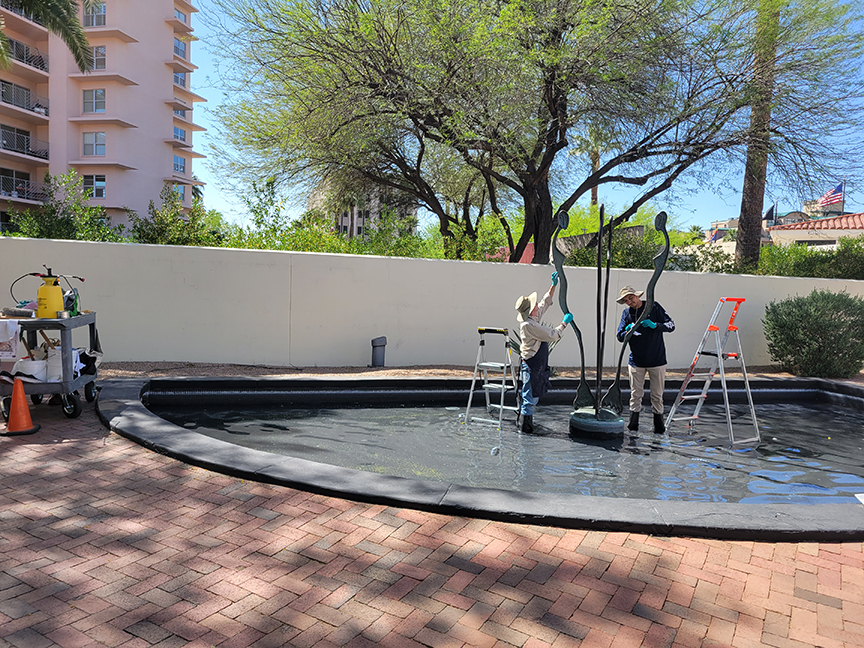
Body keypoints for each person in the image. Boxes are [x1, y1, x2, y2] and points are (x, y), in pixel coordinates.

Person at [514, 272, 573, 433]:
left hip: (536, 363)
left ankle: (527, 421)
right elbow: (552, 334)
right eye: (533, 305)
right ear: (529, 310)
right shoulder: (529, 325)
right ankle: (525, 426)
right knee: (529, 394)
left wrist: (553, 285)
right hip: (531, 363)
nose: (536, 306)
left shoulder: (532, 317)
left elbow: (544, 303)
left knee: (533, 391)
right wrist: (564, 324)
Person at [615, 285, 675, 433]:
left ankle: (659, 427)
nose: (630, 302)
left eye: (631, 298)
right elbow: (619, 336)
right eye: (626, 300)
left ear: (637, 296)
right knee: (635, 395)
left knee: (657, 395)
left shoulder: (653, 307)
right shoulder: (626, 313)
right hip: (636, 361)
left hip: (657, 360)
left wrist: (656, 325)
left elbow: (671, 325)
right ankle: (633, 426)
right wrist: (628, 331)